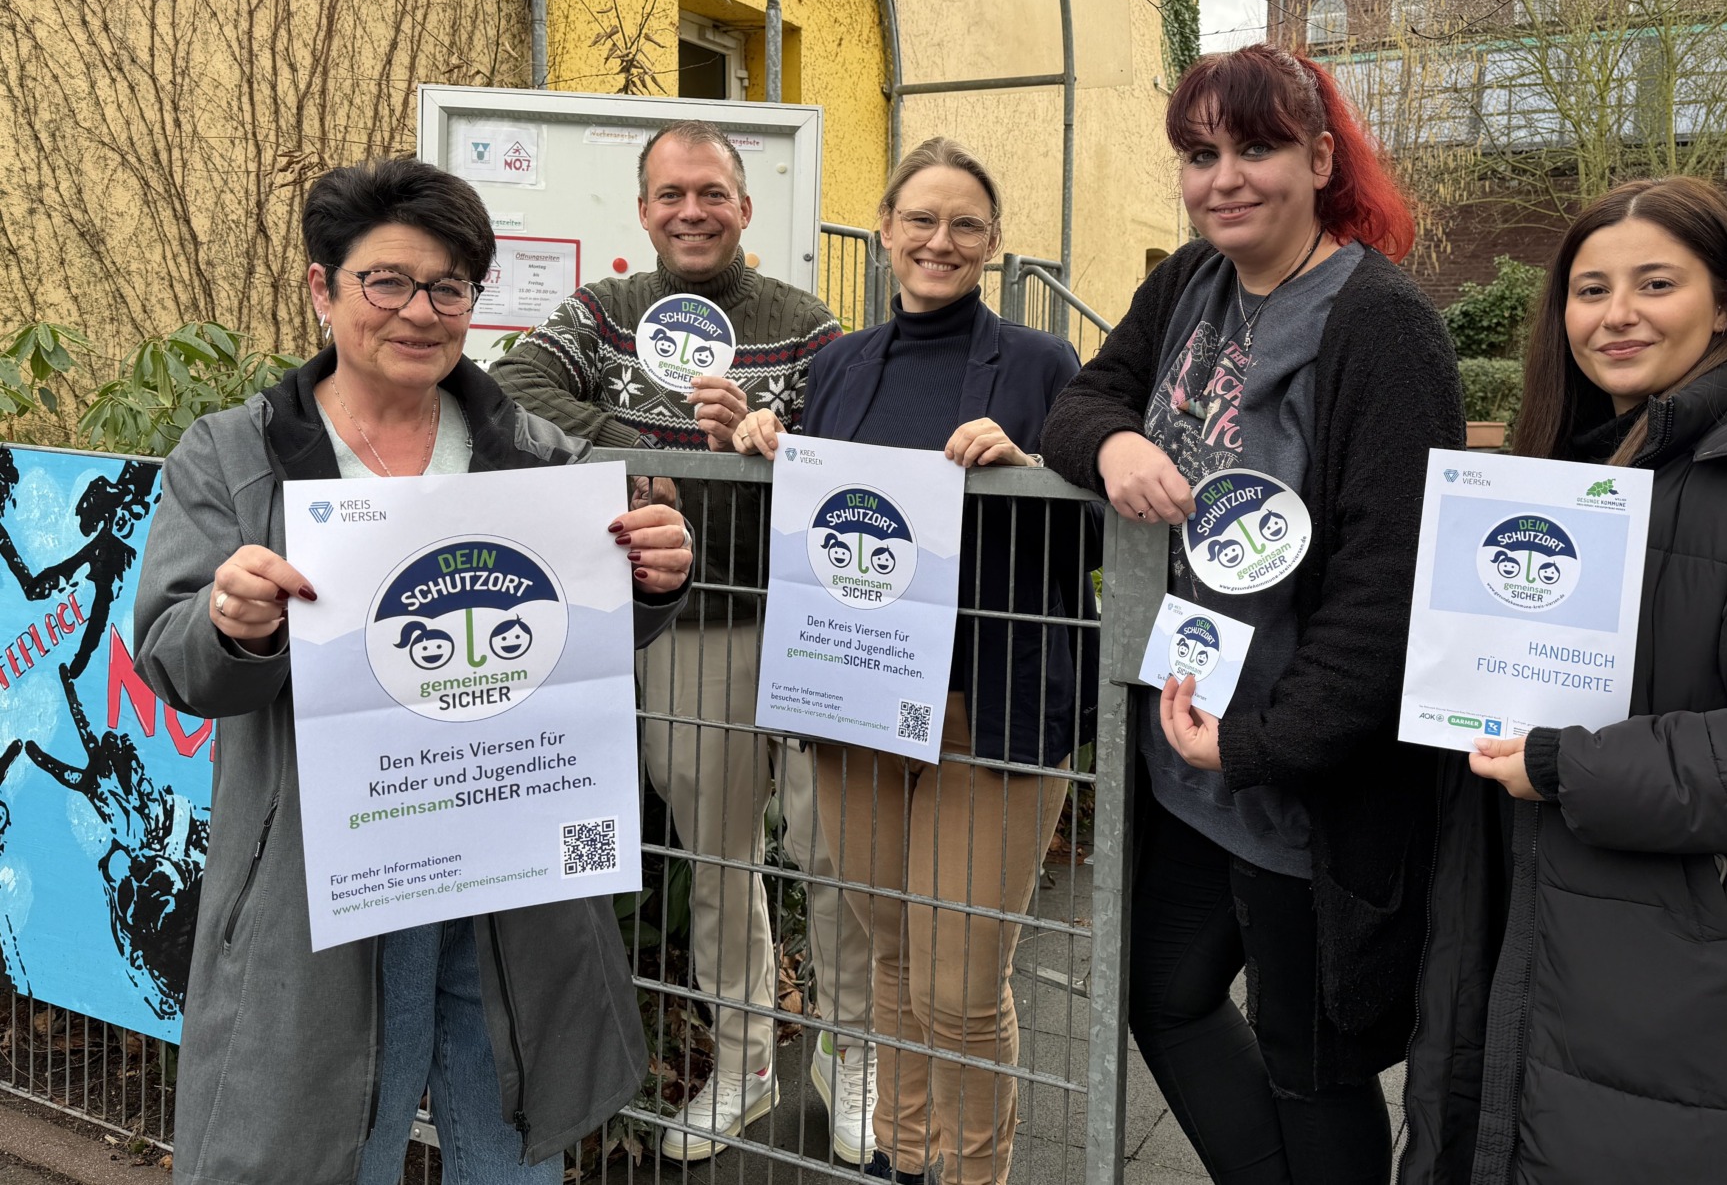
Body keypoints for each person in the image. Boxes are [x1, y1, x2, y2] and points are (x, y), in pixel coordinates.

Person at [131, 159, 694, 1185]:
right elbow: (172, 653)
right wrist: (230, 624)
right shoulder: (232, 456)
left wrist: (653, 583)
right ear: (323, 288)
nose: (420, 312)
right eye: (386, 281)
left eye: (448, 288)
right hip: (326, 882)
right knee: (332, 1148)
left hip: (507, 880)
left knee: (509, 1151)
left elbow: (585, 638)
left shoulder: (539, 455)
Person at [1399, 178, 1727, 1185]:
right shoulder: (1570, 472)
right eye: (1590, 290)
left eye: (1655, 283)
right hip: (1569, 960)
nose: (1617, 315)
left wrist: (1569, 767)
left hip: (1708, 1010)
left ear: (1726, 303)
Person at [1039, 44, 1464, 1185]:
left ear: (1321, 161)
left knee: (1310, 1060)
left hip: (1304, 776)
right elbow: (1082, 399)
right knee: (1164, 998)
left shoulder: (1382, 326)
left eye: (1257, 148)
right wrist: (1115, 443)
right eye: (1199, 154)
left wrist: (1262, 744)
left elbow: (1388, 590)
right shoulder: (1192, 283)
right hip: (1186, 749)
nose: (1223, 178)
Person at [490, 120, 875, 1163]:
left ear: (745, 208)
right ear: (645, 210)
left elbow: (861, 442)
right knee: (718, 856)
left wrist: (771, 442)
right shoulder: (605, 315)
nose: (691, 211)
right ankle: (746, 1063)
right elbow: (517, 387)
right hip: (685, 627)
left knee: (836, 850)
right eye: (671, 194)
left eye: (711, 193)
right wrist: (653, 449)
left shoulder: (805, 325)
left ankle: (852, 1055)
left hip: (807, 618)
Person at [731, 136, 1098, 1185]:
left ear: (993, 241)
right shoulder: (842, 366)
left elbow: (1095, 538)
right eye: (921, 219)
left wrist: (1029, 470)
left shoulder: (1041, 365)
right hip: (859, 700)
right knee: (892, 959)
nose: (941, 240)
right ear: (886, 229)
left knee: (961, 986)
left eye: (965, 224)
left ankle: (972, 1173)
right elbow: (821, 526)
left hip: (989, 706)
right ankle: (904, 1157)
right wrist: (768, 450)